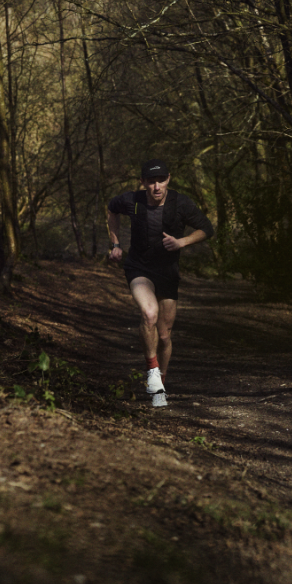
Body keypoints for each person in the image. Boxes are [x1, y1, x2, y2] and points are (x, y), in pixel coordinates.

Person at [107, 159, 215, 407]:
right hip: (139, 267)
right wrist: (115, 244)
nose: (157, 186)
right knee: (149, 314)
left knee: (165, 336)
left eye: (161, 180)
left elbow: (206, 229)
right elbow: (111, 209)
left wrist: (182, 242)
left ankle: (160, 388)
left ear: (169, 179)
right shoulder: (132, 200)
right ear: (143, 182)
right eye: (151, 181)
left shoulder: (181, 203)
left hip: (167, 271)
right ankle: (152, 376)